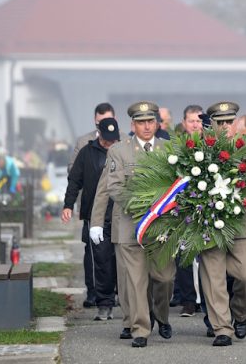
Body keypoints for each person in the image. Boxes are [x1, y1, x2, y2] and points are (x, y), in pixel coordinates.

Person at [90, 101, 175, 348]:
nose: (147, 127)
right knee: (136, 281)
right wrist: (97, 221)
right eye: (141, 122)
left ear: (157, 123)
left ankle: (161, 316)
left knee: (165, 278)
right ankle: (140, 329)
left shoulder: (168, 149)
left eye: (150, 121)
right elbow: (110, 187)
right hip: (129, 226)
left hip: (161, 227)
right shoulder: (119, 151)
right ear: (132, 124)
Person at [198, 101, 246, 347]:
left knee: (245, 276)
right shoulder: (198, 153)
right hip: (209, 224)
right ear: (211, 124)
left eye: (228, 122)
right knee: (214, 278)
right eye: (219, 122)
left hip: (241, 224)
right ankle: (222, 328)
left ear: (235, 123)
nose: (224, 127)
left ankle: (239, 314)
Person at [61, 117, 120, 320]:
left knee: (120, 258)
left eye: (113, 141)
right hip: (96, 215)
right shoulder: (87, 153)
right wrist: (68, 204)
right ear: (99, 135)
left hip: (120, 213)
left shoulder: (123, 151)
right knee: (101, 259)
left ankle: (123, 298)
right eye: (106, 141)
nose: (109, 144)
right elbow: (74, 180)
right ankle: (104, 302)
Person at [172, 105, 204, 317]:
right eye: (191, 121)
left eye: (199, 121)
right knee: (183, 255)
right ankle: (188, 300)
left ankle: (206, 297)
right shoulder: (176, 147)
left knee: (206, 255)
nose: (195, 124)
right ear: (184, 123)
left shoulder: (211, 145)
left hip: (206, 207)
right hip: (183, 207)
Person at [67, 103, 116, 173]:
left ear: (115, 119)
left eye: (107, 121)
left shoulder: (125, 140)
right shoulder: (83, 142)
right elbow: (71, 168)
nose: (104, 125)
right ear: (95, 120)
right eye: (100, 121)